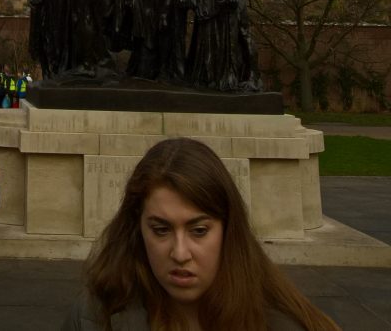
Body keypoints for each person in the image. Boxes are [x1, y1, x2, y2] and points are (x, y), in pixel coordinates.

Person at [61, 137, 340, 331]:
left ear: (228, 229)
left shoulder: (283, 323)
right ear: (137, 227)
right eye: (161, 230)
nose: (180, 253)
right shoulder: (93, 317)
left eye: (199, 231)